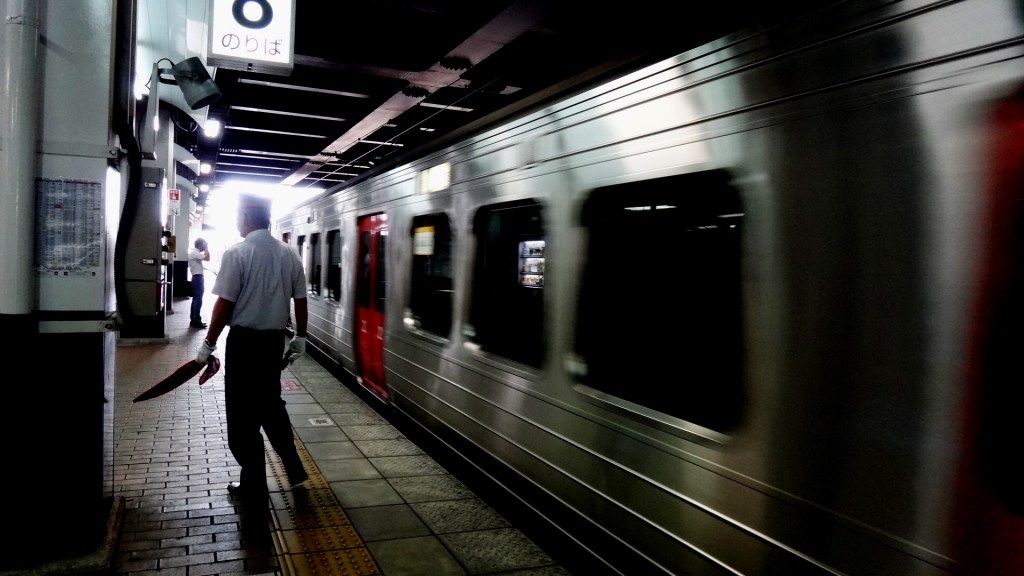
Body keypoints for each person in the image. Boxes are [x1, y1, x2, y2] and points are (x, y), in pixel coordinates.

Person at [194, 193, 309, 509]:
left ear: (245, 216)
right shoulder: (290, 254)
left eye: (237, 215)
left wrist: (208, 345)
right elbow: (300, 299)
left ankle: (254, 484)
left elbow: (224, 304)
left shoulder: (238, 253)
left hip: (244, 345)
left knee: (242, 417)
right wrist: (301, 337)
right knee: (271, 405)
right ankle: (294, 467)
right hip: (273, 344)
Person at [188, 237, 211, 328]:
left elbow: (207, 258)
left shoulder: (195, 253)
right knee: (198, 300)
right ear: (200, 245)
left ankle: (194, 320)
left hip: (197, 278)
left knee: (196, 299)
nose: (204, 246)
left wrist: (205, 248)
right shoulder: (194, 252)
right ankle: (196, 321)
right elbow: (207, 257)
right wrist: (206, 248)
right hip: (197, 278)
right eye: (204, 244)